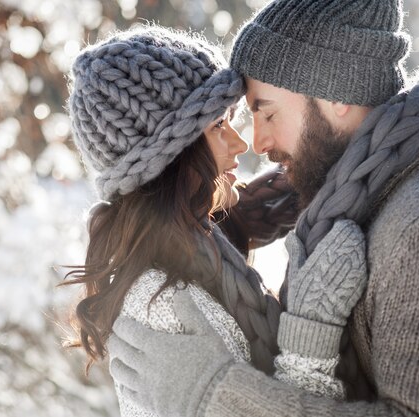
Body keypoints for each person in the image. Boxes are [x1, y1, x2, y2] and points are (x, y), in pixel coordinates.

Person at [109, 1, 419, 416]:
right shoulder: (355, 200)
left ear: (336, 92)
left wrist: (217, 397)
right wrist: (224, 229)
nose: (258, 143)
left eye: (265, 112)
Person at [65, 26, 370, 417]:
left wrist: (308, 178)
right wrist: (313, 323)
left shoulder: (196, 252)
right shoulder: (165, 302)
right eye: (218, 127)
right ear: (172, 156)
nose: (241, 145)